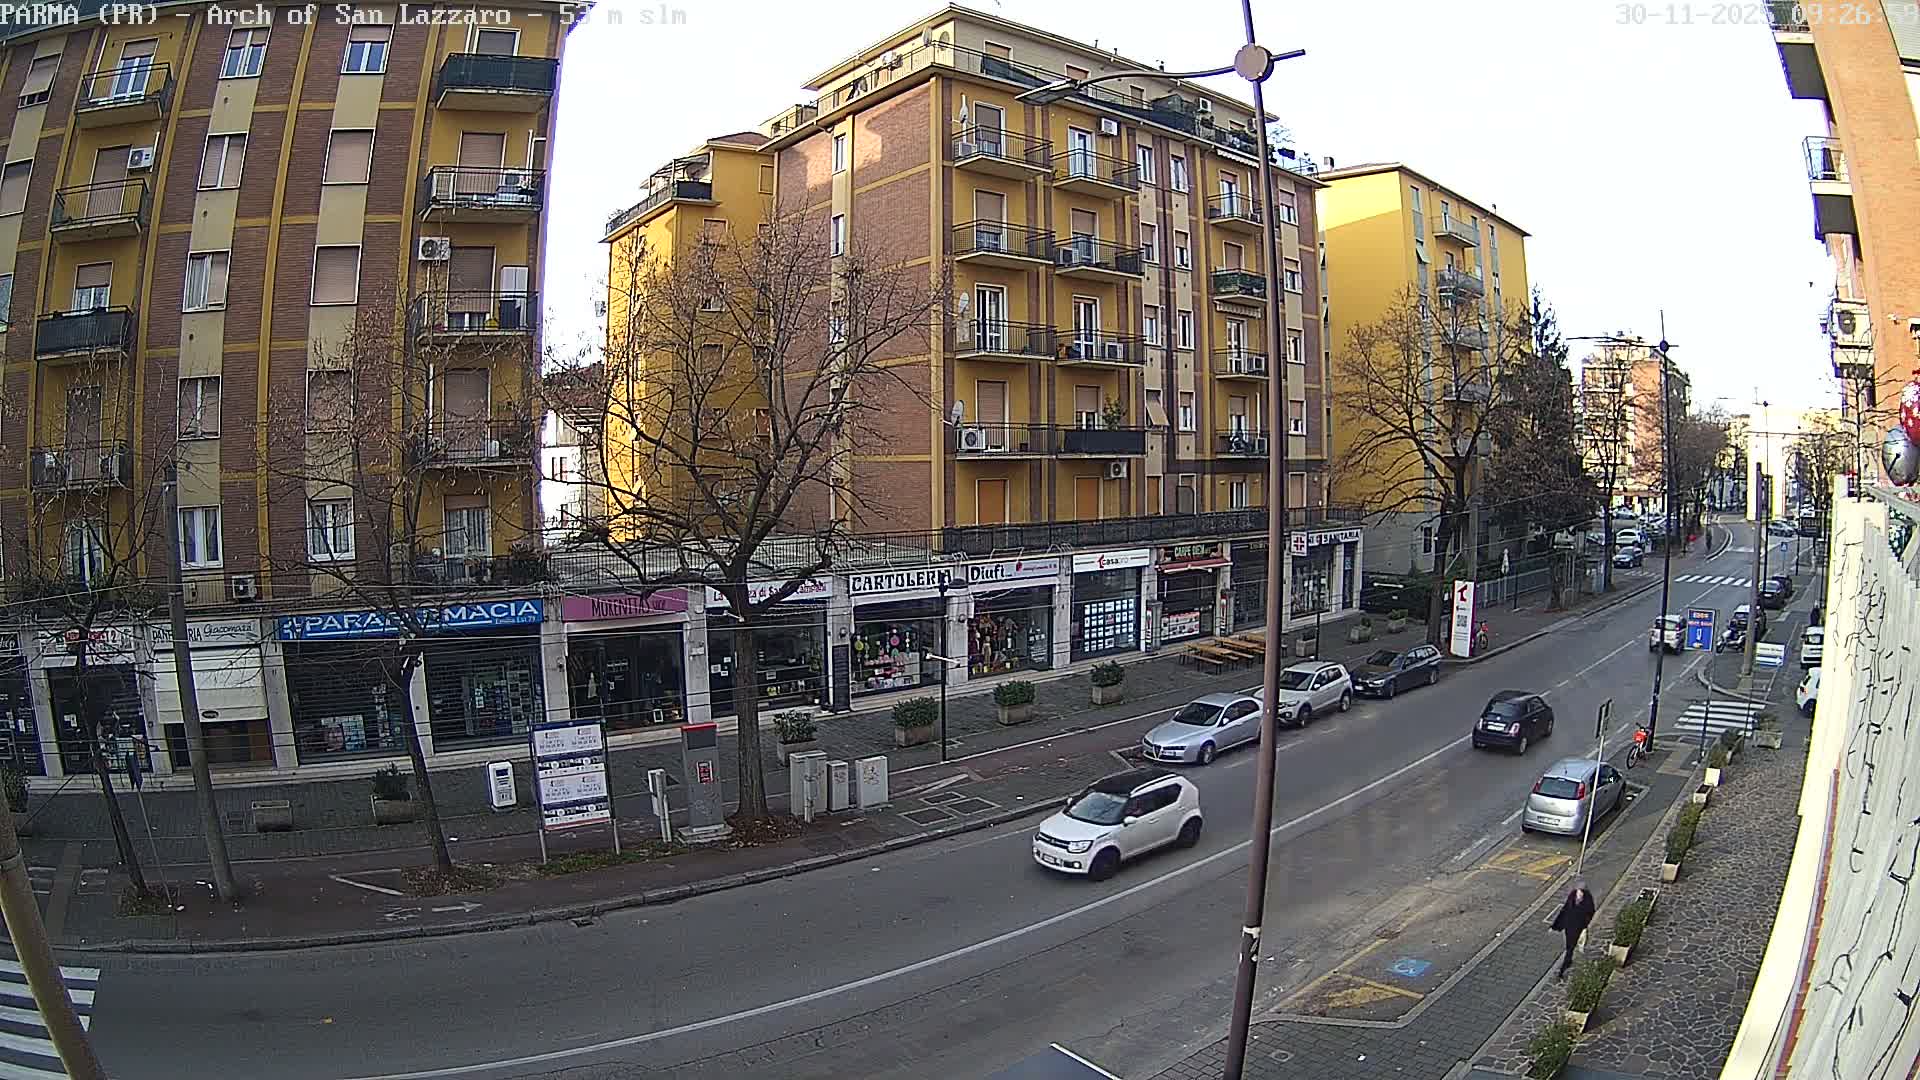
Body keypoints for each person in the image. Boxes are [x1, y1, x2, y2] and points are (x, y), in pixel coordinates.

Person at [1551, 881, 1597, 978]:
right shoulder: (1572, 896)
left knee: (1570, 948)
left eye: (1581, 891)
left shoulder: (1588, 901)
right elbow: (1564, 910)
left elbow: (1591, 912)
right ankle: (1568, 959)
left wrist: (1585, 924)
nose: (1579, 893)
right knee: (1569, 945)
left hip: (1578, 927)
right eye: (1578, 891)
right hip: (1569, 926)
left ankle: (1563, 967)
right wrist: (1555, 926)